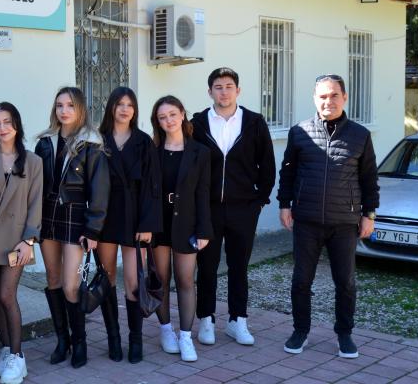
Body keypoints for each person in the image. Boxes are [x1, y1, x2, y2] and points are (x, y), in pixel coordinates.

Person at [277, 74, 379, 359]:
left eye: (334, 95)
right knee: (301, 281)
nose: (328, 101)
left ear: (344, 97)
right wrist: (284, 204)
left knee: (345, 283)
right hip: (307, 221)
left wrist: (369, 214)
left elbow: (369, 179)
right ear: (314, 99)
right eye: (322, 96)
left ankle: (344, 334)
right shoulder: (299, 132)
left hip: (344, 223)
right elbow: (287, 173)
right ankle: (300, 331)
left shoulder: (360, 135)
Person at [191, 68, 275, 347]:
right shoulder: (197, 124)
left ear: (237, 90)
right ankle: (206, 319)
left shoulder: (254, 122)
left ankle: (238, 320)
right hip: (208, 209)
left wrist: (259, 201)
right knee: (207, 266)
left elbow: (267, 165)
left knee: (239, 266)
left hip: (243, 209)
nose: (224, 91)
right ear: (210, 91)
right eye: (218, 87)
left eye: (229, 86)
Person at [35, 86, 109, 369]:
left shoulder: (91, 143)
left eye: (70, 105)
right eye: (59, 105)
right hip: (48, 216)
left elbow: (100, 191)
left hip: (76, 217)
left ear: (80, 109)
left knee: (71, 284)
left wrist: (93, 230)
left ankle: (80, 342)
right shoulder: (45, 142)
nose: (64, 111)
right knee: (53, 279)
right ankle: (62, 340)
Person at [0, 102, 43, 384]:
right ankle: (5, 349)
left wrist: (29, 240)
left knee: (6, 295)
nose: (2, 128)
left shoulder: (32, 161)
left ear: (17, 123)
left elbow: (36, 203)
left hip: (17, 240)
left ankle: (17, 355)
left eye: (7, 122)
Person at [96, 87, 161, 364]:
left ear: (135, 110)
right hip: (106, 216)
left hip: (136, 216)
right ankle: (113, 338)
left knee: (134, 282)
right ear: (111, 107)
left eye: (130, 105)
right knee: (107, 277)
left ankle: (136, 339)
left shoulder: (144, 142)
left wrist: (147, 224)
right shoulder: (98, 140)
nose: (125, 109)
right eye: (120, 104)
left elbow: (152, 186)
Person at [150, 95, 211, 363]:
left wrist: (204, 230)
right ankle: (166, 330)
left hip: (187, 223)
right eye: (162, 117)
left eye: (172, 115)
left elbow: (203, 193)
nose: (169, 121)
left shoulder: (200, 152)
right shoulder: (153, 150)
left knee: (186, 280)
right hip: (158, 224)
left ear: (182, 114)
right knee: (161, 280)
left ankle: (186, 336)